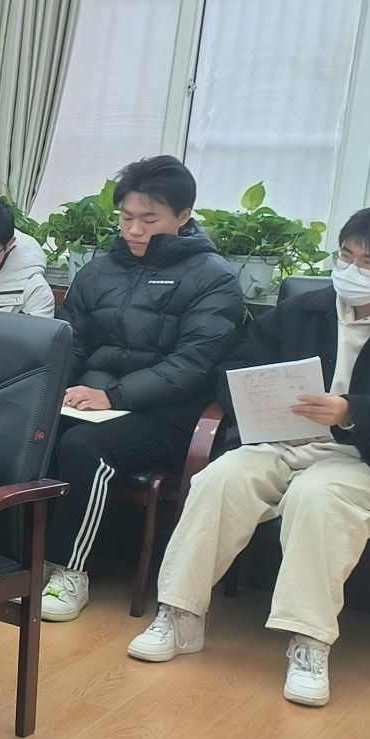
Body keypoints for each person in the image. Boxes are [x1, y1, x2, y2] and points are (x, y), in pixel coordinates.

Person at [129, 208, 370, 706]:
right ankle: (180, 616)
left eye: (369, 263)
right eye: (345, 256)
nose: (351, 270)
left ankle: (310, 642)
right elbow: (234, 368)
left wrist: (352, 412)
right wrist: (264, 413)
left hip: (365, 459)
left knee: (318, 497)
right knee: (221, 478)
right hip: (281, 443)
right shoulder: (306, 310)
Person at [41, 155, 244, 622]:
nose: (134, 230)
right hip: (92, 400)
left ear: (183, 216)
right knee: (23, 429)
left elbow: (193, 364)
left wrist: (115, 396)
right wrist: (55, 389)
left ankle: (69, 572)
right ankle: (11, 558)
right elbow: (70, 343)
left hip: (168, 412)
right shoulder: (98, 271)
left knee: (86, 447)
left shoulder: (213, 277)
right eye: (126, 217)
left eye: (149, 220)